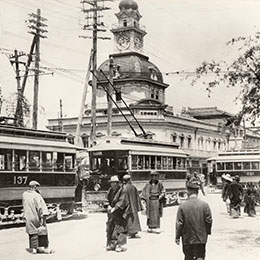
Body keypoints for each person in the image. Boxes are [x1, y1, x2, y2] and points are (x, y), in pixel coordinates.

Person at [175, 179, 212, 260]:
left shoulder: (182, 206)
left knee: (188, 257)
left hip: (187, 238)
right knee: (200, 256)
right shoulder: (205, 205)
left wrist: (177, 236)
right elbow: (209, 220)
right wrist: (207, 232)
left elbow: (179, 223)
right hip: (201, 238)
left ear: (188, 191)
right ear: (197, 192)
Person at [22, 180, 54, 254]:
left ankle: (34, 249)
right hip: (36, 216)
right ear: (34, 187)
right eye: (36, 187)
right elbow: (40, 208)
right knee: (42, 230)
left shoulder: (24, 194)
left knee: (32, 232)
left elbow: (24, 205)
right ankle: (45, 248)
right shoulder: (37, 195)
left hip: (28, 216)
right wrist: (43, 217)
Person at [106, 175, 129, 252]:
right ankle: (112, 243)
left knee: (120, 227)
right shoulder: (110, 190)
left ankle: (120, 244)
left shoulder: (123, 190)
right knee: (111, 227)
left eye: (114, 183)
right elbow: (107, 198)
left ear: (118, 183)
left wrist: (115, 208)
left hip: (121, 211)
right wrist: (108, 205)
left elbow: (122, 201)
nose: (113, 185)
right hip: (113, 211)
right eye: (111, 183)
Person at [122, 174, 142, 238]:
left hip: (127, 206)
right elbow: (137, 197)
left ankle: (129, 232)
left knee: (128, 219)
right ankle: (134, 232)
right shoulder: (133, 187)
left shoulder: (124, 188)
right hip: (134, 206)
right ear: (130, 180)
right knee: (134, 218)